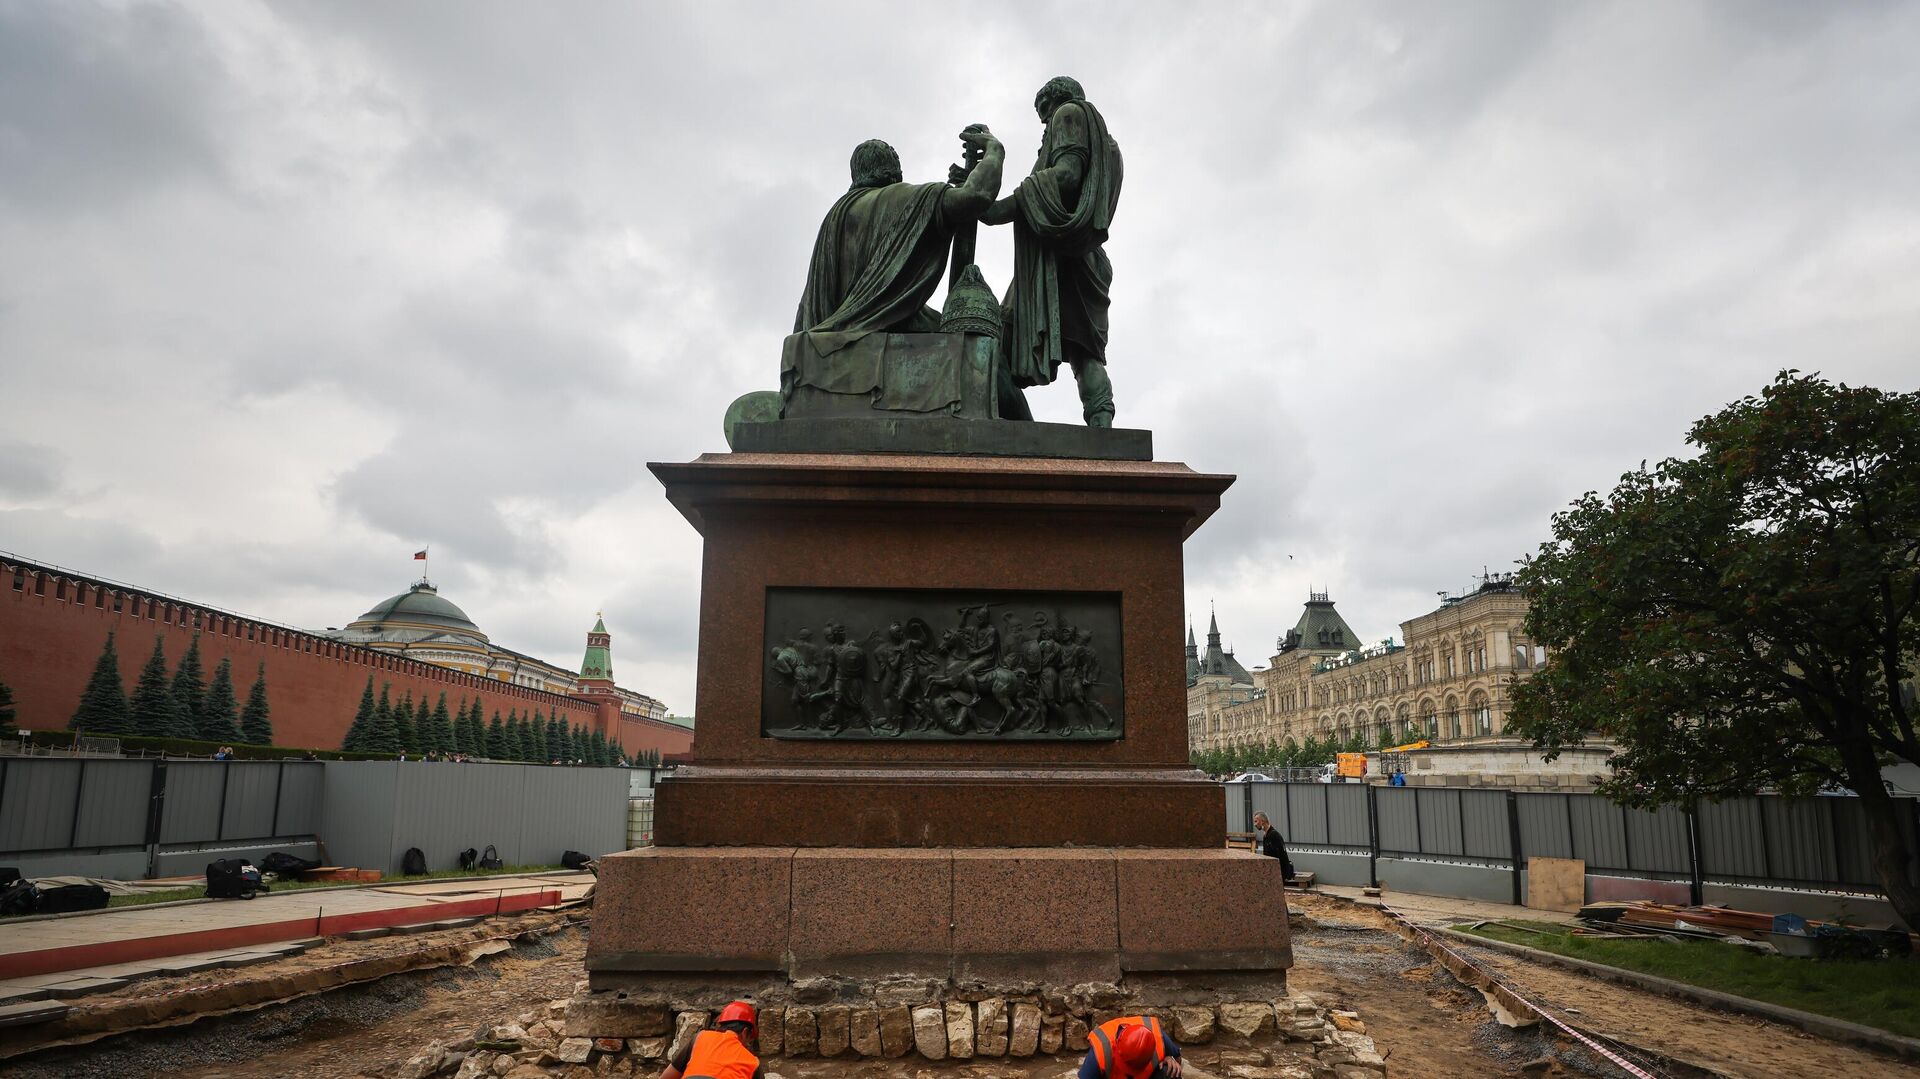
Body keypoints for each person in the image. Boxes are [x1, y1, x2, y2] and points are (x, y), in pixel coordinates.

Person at [784, 129, 1006, 411]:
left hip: (826, 344)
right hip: (884, 334)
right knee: (993, 365)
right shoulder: (901, 200)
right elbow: (977, 195)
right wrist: (995, 149)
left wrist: (796, 369)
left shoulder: (834, 219)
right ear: (894, 171)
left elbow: (807, 304)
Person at [981, 75, 1123, 427]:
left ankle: (1009, 428)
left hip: (1061, 257)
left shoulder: (1070, 114)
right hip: (1087, 259)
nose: (1045, 123)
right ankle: (1102, 432)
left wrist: (998, 206)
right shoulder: (1109, 146)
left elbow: (1066, 176)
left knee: (999, 344)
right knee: (1085, 354)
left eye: (1045, 112)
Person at [661, 1000, 764, 1079]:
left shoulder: (700, 1038)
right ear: (745, 1032)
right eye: (749, 1040)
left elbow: (666, 1077)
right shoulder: (753, 1063)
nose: (747, 1045)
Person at [1079, 1014, 1182, 1078]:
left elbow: (1177, 1059)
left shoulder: (1158, 1036)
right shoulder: (1101, 1049)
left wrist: (1169, 1058)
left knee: (1171, 1071)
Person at [1252, 811, 1295, 882]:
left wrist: (1280, 875)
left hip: (1278, 874)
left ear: (1262, 821)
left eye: (1256, 821)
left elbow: (1280, 856)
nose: (1255, 824)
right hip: (1271, 873)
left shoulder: (1274, 835)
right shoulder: (1266, 835)